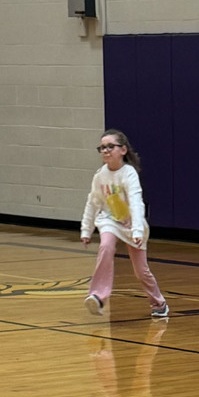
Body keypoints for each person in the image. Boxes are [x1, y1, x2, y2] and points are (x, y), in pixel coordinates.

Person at [80, 129, 169, 318]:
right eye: (102, 147)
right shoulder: (100, 176)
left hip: (132, 226)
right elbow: (93, 202)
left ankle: (158, 303)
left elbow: (137, 203)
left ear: (123, 150)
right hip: (109, 221)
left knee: (141, 272)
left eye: (110, 146)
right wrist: (86, 229)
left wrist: (137, 229)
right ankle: (98, 296)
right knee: (105, 246)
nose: (105, 150)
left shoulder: (129, 174)